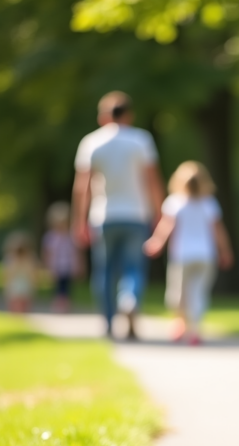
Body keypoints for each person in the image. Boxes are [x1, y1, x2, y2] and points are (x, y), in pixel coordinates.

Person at [71, 91, 165, 338]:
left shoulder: (92, 142)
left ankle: (109, 323)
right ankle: (129, 300)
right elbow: (153, 180)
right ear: (129, 115)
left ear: (104, 116)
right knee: (134, 268)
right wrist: (160, 213)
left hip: (103, 215)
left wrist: (78, 222)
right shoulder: (141, 140)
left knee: (105, 270)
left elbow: (82, 187)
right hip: (136, 214)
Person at [143, 161, 234, 345]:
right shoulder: (209, 203)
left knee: (178, 294)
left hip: (183, 256)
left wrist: (156, 243)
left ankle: (182, 324)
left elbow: (166, 227)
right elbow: (218, 230)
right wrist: (225, 251)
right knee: (197, 293)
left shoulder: (175, 202)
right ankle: (193, 329)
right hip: (205, 256)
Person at [42, 201, 80, 313]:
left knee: (67, 288)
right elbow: (47, 253)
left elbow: (75, 253)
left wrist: (78, 266)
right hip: (55, 267)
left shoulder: (70, 237)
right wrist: (46, 267)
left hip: (68, 267)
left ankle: (65, 306)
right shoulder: (50, 237)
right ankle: (59, 306)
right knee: (58, 288)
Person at [2, 231, 36, 313]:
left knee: (24, 309)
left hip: (25, 289)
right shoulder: (10, 260)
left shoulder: (29, 260)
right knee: (15, 309)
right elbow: (7, 275)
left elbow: (32, 275)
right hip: (14, 289)